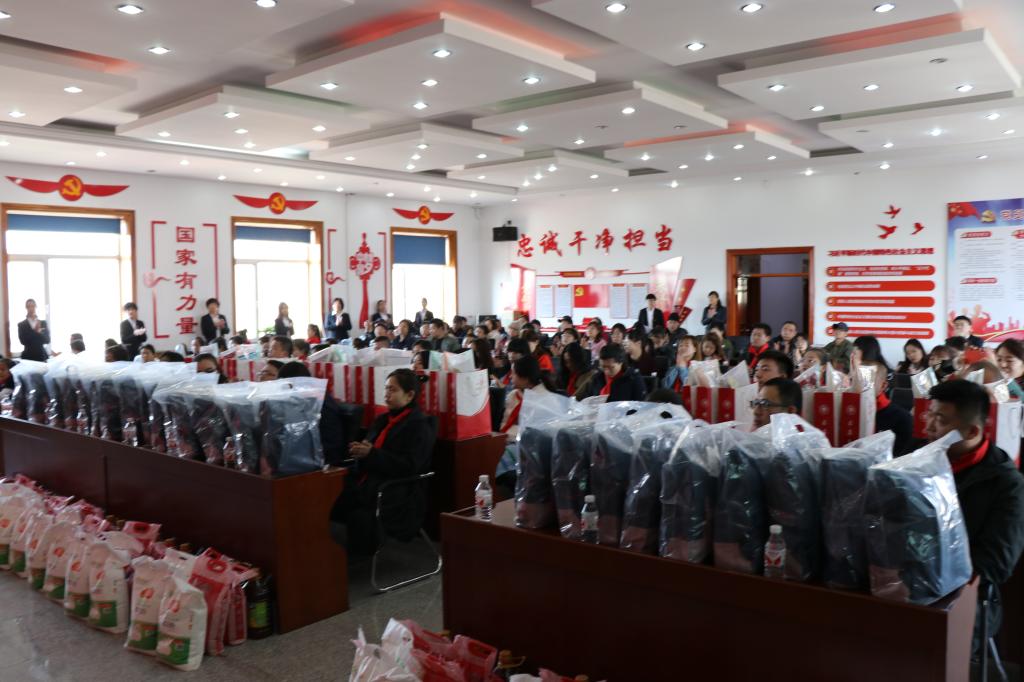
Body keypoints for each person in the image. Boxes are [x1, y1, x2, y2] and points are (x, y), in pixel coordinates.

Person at [924, 380, 1024, 653]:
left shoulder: (1006, 483)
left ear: (972, 431)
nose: (929, 427)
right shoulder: (921, 458)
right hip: (909, 582)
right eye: (928, 414)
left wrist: (931, 569)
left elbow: (997, 562)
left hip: (966, 597)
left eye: (940, 420)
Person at [331, 368, 433, 555]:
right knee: (325, 498)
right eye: (386, 388)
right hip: (369, 481)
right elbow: (370, 450)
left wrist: (371, 454)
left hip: (395, 490)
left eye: (393, 390)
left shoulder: (419, 425)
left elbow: (410, 466)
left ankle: (353, 560)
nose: (387, 394)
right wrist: (360, 451)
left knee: (357, 514)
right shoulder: (382, 420)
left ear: (410, 395)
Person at [278, 362, 347, 467]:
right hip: (300, 454)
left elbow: (330, 441)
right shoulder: (297, 399)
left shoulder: (320, 402)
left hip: (321, 458)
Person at [861, 360, 913, 456]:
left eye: (867, 382)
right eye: (854, 380)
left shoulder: (902, 418)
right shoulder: (846, 411)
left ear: (883, 386)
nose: (859, 386)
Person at [499, 355, 554, 435]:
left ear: (525, 379)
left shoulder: (545, 400)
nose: (510, 376)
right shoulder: (513, 395)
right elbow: (504, 423)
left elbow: (534, 433)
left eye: (513, 373)